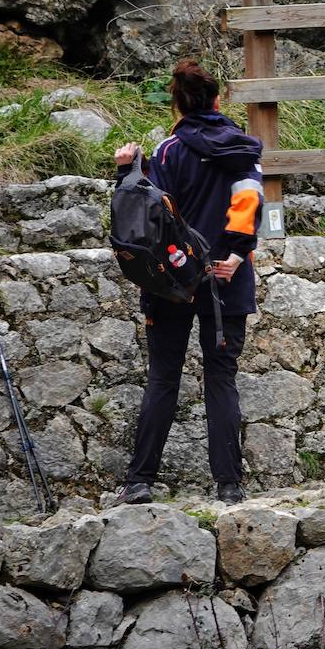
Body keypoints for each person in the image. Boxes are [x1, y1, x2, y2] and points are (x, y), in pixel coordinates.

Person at [113, 59, 264, 504]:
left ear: (176, 105)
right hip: (226, 279)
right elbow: (248, 202)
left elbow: (146, 217)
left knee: (163, 377)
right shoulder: (243, 149)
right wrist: (234, 256)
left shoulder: (165, 152)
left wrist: (126, 172)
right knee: (221, 378)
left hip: (171, 280)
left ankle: (140, 483)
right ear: (218, 102)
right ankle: (230, 488)